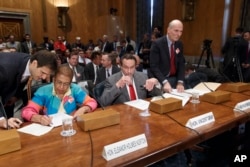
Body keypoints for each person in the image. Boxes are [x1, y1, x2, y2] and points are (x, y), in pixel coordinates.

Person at [21, 64, 97, 126]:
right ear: (53, 80)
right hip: (51, 128)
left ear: (70, 83)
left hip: (72, 126)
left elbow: (92, 102)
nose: (61, 87)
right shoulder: (43, 91)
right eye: (59, 82)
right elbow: (26, 111)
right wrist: (40, 118)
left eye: (66, 84)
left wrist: (83, 109)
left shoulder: (74, 89)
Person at [0, 50, 58, 118]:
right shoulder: (6, 68)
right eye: (43, 72)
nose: (44, 77)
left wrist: (15, 96)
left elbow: (20, 78)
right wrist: (1, 119)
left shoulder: (29, 64)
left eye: (47, 75)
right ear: (34, 63)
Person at [150, 19, 185, 93]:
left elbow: (181, 64)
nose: (179, 34)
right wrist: (164, 82)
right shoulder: (157, 44)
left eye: (181, 31)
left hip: (174, 79)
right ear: (168, 30)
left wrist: (180, 82)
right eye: (176, 31)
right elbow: (154, 66)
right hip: (160, 79)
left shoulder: (179, 44)